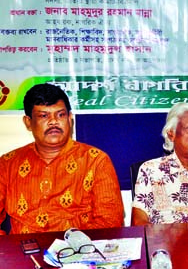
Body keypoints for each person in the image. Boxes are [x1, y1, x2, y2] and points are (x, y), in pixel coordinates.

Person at [0, 83, 124, 234]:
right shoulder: (7, 164)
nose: (53, 122)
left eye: (60, 115)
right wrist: (8, 249)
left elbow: (110, 221)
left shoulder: (95, 161)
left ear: (70, 118)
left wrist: (75, 247)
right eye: (43, 116)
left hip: (80, 251)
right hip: (23, 252)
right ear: (28, 122)